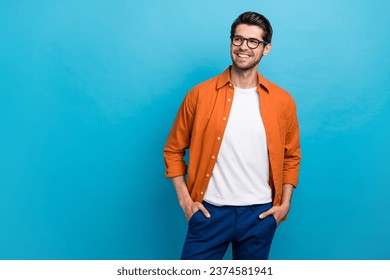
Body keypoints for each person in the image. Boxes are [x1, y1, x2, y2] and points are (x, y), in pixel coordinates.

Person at [163, 11, 301, 260]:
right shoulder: (200, 95)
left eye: (253, 41)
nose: (243, 47)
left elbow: (291, 156)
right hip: (209, 213)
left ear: (265, 49)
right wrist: (185, 201)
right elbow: (173, 150)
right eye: (238, 39)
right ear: (231, 42)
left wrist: (284, 206)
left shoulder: (283, 101)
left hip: (260, 216)